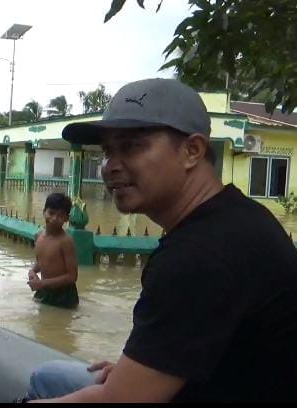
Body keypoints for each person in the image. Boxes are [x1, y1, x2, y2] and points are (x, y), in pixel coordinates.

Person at [26, 78, 297, 402]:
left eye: (131, 147)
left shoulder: (198, 255)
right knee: (48, 375)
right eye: (108, 151)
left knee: (43, 386)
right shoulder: (240, 217)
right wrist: (143, 369)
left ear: (192, 151)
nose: (110, 166)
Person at [27, 193, 79, 309]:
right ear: (44, 211)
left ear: (66, 219)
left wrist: (42, 283)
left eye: (60, 216)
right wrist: (32, 271)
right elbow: (42, 261)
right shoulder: (38, 236)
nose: (54, 218)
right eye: (51, 213)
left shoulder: (66, 241)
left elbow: (72, 276)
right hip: (44, 289)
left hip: (64, 295)